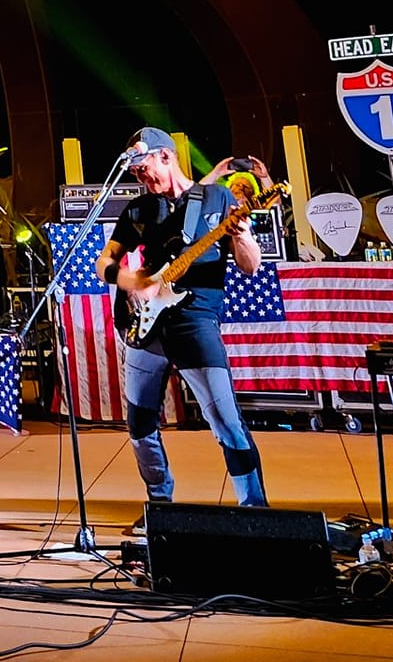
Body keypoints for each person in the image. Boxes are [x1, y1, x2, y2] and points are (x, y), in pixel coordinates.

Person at [100, 127, 268, 525]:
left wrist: (241, 235)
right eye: (136, 173)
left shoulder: (218, 199)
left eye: (144, 169)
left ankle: (257, 511)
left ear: (166, 156)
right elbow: (104, 263)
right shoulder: (138, 210)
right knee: (140, 424)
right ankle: (159, 505)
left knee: (226, 420)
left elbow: (250, 264)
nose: (142, 178)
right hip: (147, 328)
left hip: (195, 321)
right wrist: (132, 282)